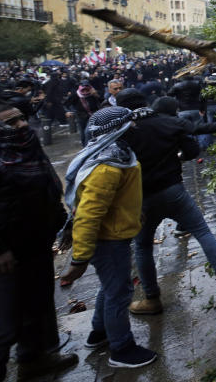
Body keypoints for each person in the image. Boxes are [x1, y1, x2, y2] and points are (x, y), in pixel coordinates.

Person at [113, 89, 216, 314]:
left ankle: (151, 298)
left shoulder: (120, 132)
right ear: (145, 101)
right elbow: (192, 143)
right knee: (202, 230)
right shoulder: (167, 122)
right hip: (173, 190)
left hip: (140, 199)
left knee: (143, 246)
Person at [59, 106, 159, 369]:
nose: (135, 129)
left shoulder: (118, 155)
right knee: (119, 292)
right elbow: (88, 216)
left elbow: (120, 198)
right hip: (109, 241)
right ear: (119, 130)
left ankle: (99, 332)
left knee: (110, 286)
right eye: (130, 125)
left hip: (116, 233)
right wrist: (79, 259)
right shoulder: (106, 167)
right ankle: (122, 348)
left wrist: (135, 215)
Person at [0, 105, 76, 381]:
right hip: (2, 253)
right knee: (2, 325)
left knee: (36, 306)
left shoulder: (28, 147)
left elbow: (46, 186)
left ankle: (33, 360)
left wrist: (60, 221)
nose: (22, 125)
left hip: (36, 243)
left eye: (22, 118)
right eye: (12, 122)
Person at [64, 80, 102, 147]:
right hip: (81, 116)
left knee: (88, 132)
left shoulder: (93, 93)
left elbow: (102, 101)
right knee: (82, 132)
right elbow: (66, 104)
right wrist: (67, 111)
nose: (85, 92)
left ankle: (89, 146)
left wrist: (96, 95)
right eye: (83, 89)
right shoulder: (75, 95)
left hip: (93, 115)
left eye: (87, 89)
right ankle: (84, 146)